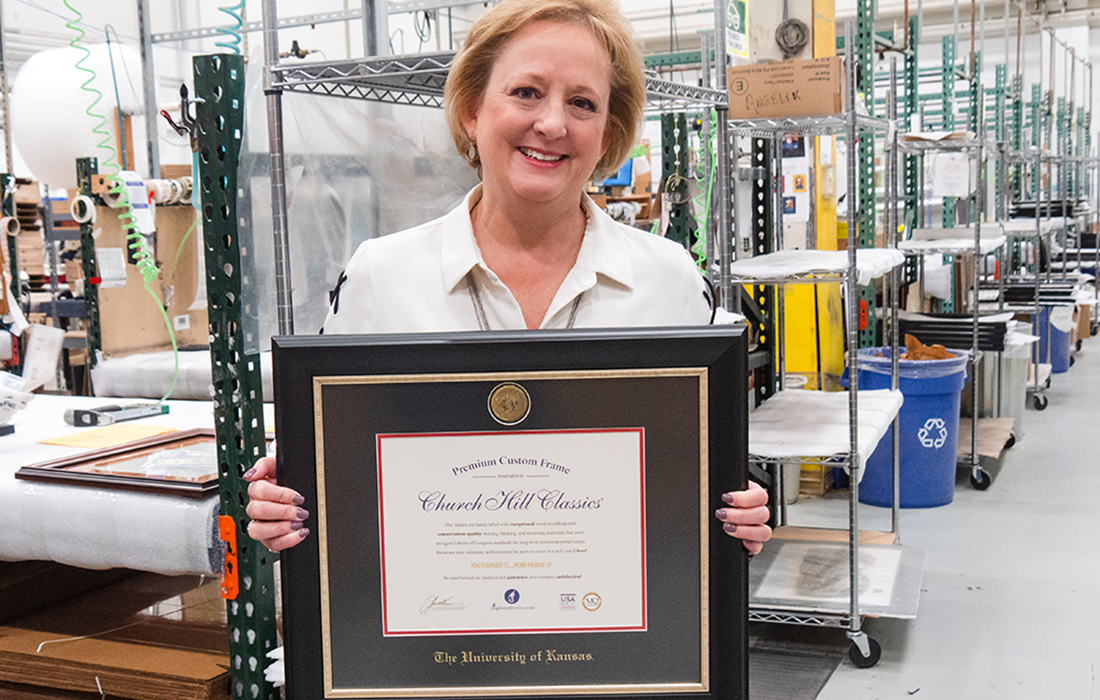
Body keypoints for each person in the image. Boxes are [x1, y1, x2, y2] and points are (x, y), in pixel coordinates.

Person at [244, 0, 771, 555]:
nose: (552, 124)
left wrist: (737, 516)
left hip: (612, 606)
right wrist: (290, 505)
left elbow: (697, 476)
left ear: (606, 134)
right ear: (472, 109)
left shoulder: (669, 280)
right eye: (526, 92)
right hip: (438, 608)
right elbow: (340, 475)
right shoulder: (381, 277)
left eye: (583, 103)